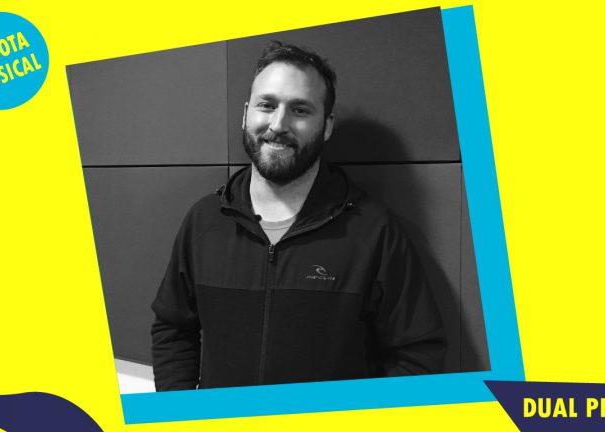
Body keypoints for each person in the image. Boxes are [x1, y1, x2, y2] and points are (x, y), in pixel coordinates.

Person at [151, 41, 446, 390]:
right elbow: (173, 328)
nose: (278, 124)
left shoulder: (373, 231)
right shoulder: (204, 221)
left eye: (300, 110)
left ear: (327, 125)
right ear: (246, 114)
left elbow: (417, 356)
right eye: (266, 105)